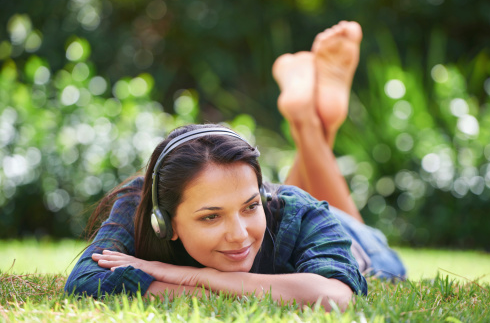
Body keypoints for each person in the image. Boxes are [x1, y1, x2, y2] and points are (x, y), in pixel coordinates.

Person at [65, 21, 405, 311]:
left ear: (261, 195)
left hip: (363, 248)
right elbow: (85, 282)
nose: (239, 235)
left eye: (250, 206)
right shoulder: (141, 201)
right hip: (288, 213)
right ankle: (309, 121)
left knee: (294, 207)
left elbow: (334, 296)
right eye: (211, 216)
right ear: (163, 222)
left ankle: (309, 123)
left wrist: (200, 278)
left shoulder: (297, 209)